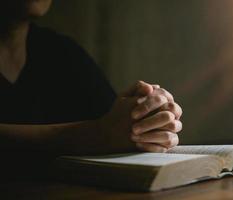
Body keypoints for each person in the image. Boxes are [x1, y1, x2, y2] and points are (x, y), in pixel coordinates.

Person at [0, 0, 183, 156]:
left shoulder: (62, 52)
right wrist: (99, 135)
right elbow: (106, 132)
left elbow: (113, 123)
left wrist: (145, 115)